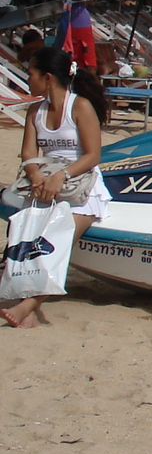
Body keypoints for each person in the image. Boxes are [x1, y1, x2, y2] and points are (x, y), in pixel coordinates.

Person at [3, 47, 111, 328]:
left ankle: (29, 305)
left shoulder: (80, 107)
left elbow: (92, 156)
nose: (27, 80)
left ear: (47, 77)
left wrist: (60, 175)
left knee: (58, 239)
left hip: (81, 187)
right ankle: (28, 306)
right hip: (46, 185)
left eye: (30, 74)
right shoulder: (34, 111)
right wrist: (36, 174)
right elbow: (28, 153)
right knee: (24, 235)